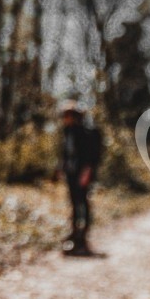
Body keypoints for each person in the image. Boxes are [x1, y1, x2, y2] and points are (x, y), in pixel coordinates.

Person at [57, 100, 103, 255]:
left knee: (83, 204)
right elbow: (66, 153)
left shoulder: (86, 132)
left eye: (67, 116)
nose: (64, 119)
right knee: (74, 204)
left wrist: (87, 172)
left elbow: (92, 155)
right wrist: (61, 168)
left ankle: (83, 237)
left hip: (83, 174)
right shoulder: (67, 132)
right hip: (71, 173)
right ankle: (74, 234)